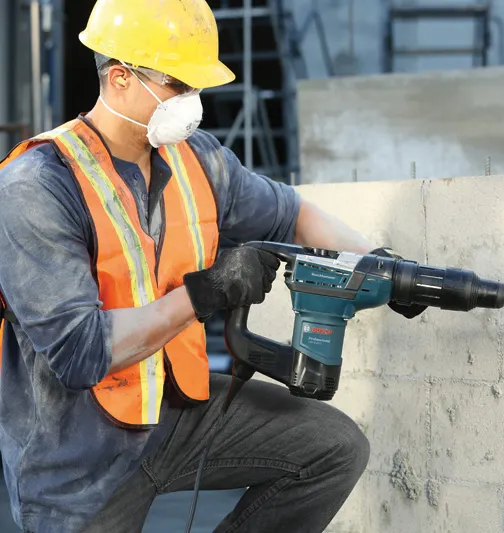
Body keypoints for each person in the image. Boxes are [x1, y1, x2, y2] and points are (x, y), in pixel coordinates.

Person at [0, 1, 425, 532]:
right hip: (79, 459)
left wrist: (384, 268)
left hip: (176, 414)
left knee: (333, 448)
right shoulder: (37, 186)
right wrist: (206, 292)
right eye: (179, 84)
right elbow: (81, 352)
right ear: (120, 78)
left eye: (197, 87)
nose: (192, 102)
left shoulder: (197, 159)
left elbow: (294, 216)